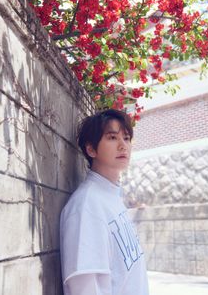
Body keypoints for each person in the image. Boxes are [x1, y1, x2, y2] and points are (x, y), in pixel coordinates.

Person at [60, 109, 149, 295]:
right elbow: (85, 288)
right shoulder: (86, 206)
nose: (123, 145)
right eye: (112, 137)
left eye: (126, 138)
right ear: (91, 149)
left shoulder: (111, 197)